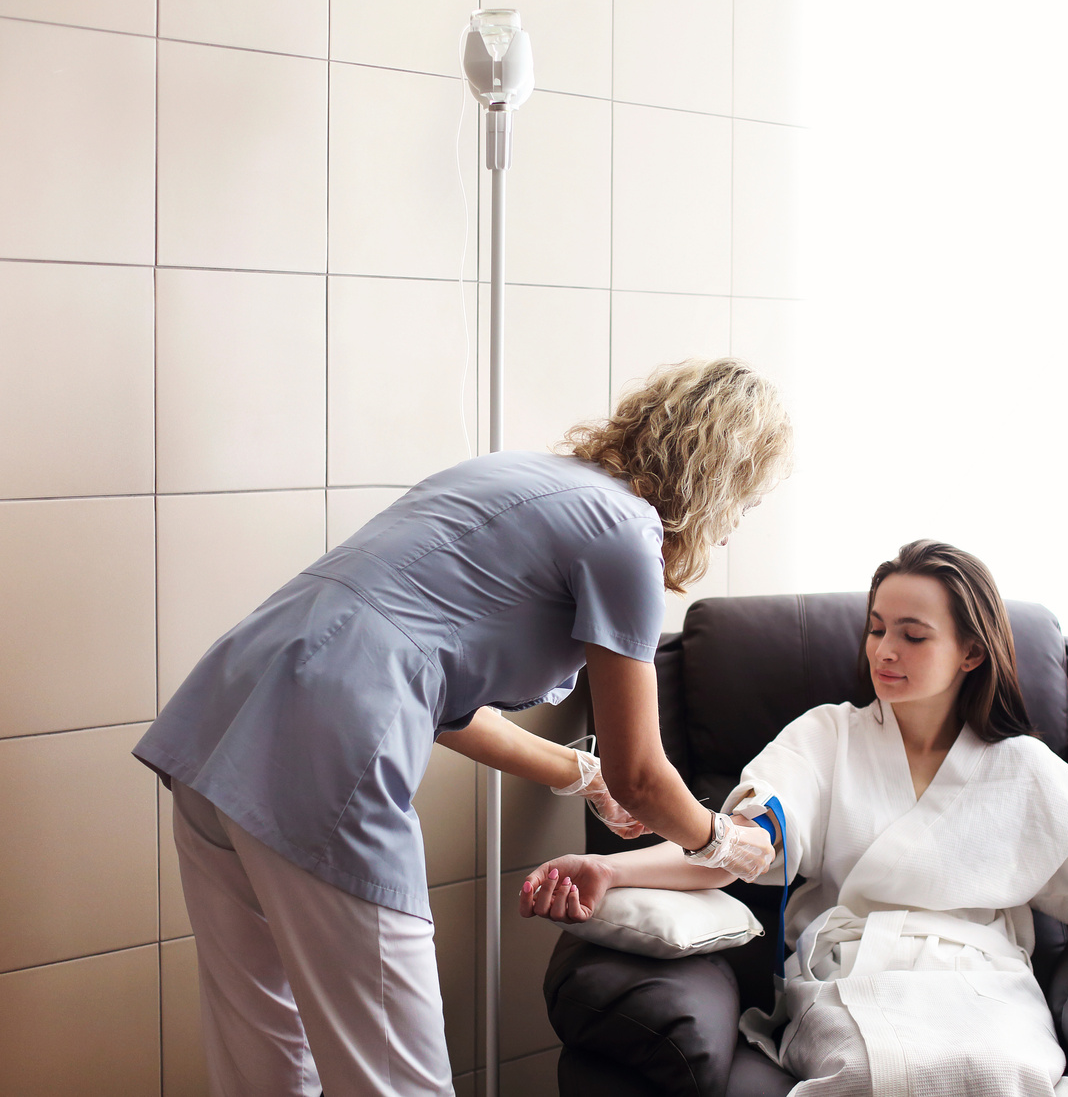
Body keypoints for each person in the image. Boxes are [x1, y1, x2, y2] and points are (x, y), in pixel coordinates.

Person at [134, 359, 787, 1096]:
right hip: (327, 749)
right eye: (748, 501)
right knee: (396, 1078)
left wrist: (582, 774)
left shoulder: (511, 475)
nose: (735, 527)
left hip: (224, 715)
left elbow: (428, 686)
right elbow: (642, 773)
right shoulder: (627, 536)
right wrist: (718, 840)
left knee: (262, 1056)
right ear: (722, 478)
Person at [520, 540, 1068, 1097]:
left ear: (971, 651)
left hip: (983, 979)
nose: (885, 651)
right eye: (878, 629)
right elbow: (739, 847)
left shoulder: (1022, 768)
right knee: (874, 1074)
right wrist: (610, 868)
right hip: (855, 970)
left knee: (1004, 1072)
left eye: (913, 635)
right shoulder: (825, 737)